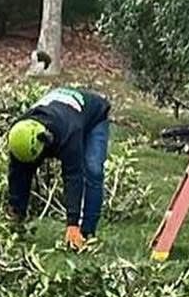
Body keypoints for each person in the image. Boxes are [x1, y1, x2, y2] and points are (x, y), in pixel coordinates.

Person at [6, 86, 112, 251]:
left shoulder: (69, 133)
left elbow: (73, 176)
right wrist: (16, 213)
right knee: (22, 171)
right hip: (63, 108)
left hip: (94, 115)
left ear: (46, 142)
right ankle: (18, 220)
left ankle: (86, 234)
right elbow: (18, 173)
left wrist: (72, 223)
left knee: (92, 170)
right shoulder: (20, 130)